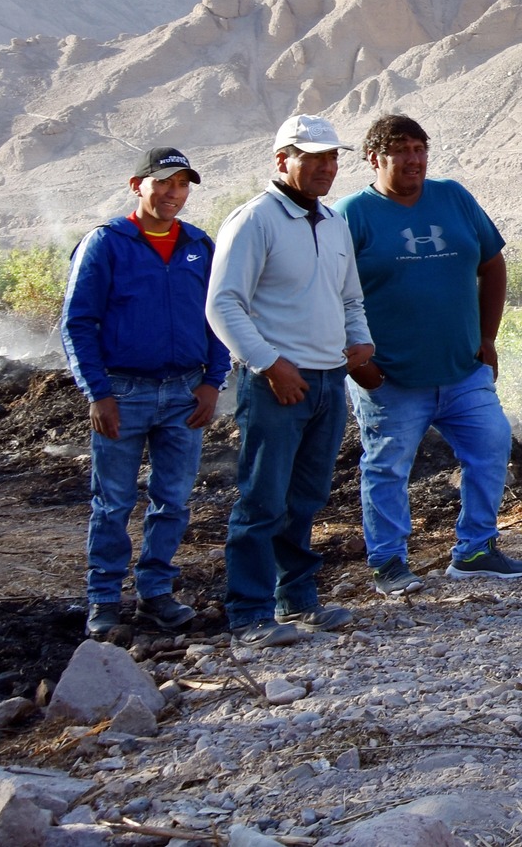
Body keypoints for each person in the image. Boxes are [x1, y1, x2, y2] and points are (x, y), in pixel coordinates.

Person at [336, 115, 522, 596]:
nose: (414, 159)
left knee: (491, 446)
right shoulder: (351, 214)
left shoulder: (454, 197)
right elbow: (327, 292)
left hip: (464, 370)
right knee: (386, 467)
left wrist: (488, 338)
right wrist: (358, 364)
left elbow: (492, 262)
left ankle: (475, 549)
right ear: (374, 157)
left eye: (420, 148)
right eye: (401, 150)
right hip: (392, 378)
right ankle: (388, 562)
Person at [207, 115, 375, 647]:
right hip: (278, 383)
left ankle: (298, 600)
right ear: (283, 160)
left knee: (306, 497)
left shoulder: (332, 220)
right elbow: (223, 303)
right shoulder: (255, 219)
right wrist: (268, 363)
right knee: (262, 499)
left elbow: (350, 296)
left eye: (332, 158)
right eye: (314, 157)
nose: (327, 167)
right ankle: (250, 614)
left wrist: (360, 339)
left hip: (329, 380)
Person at [62, 146, 229, 639]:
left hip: (184, 393)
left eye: (181, 185)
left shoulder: (200, 245)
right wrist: (97, 392)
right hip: (123, 392)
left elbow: (218, 318)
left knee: (173, 500)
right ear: (137, 186)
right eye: (162, 183)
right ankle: (105, 600)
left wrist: (211, 383)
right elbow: (77, 322)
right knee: (112, 502)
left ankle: (156, 592)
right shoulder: (106, 243)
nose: (173, 193)